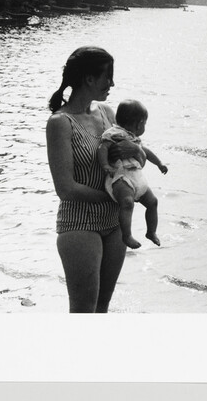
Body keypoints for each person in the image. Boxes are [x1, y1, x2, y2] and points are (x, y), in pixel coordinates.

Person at [46, 46, 142, 312]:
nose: (111, 83)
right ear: (89, 79)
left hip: (114, 225)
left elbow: (132, 158)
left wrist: (136, 151)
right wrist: (113, 197)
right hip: (79, 225)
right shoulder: (60, 122)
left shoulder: (107, 113)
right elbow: (65, 188)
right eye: (107, 76)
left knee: (102, 308)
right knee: (83, 311)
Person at [97, 99, 168, 249]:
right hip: (121, 177)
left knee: (153, 202)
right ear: (138, 123)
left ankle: (151, 232)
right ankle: (127, 235)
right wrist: (105, 165)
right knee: (127, 203)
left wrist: (159, 164)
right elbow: (103, 148)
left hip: (136, 177)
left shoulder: (134, 138)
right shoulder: (114, 133)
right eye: (144, 123)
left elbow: (146, 153)